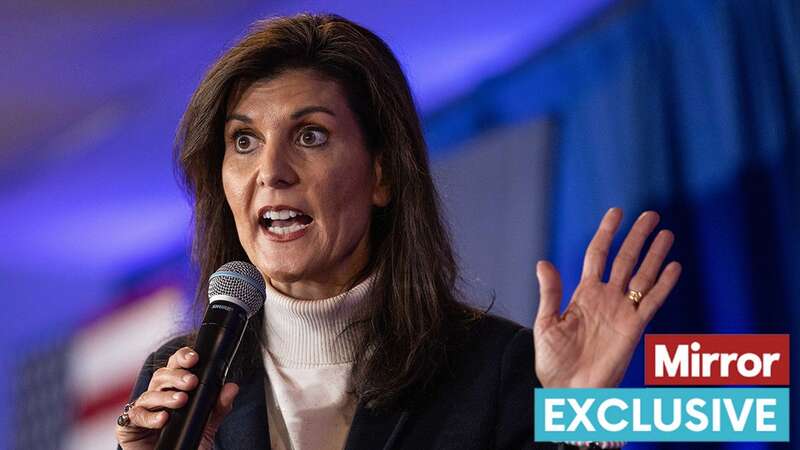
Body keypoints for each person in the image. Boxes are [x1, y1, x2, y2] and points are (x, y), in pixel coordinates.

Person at [114, 13, 681, 450]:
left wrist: (581, 422)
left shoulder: (491, 366)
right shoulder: (181, 382)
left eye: (310, 135)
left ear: (382, 174)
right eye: (244, 141)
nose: (271, 171)